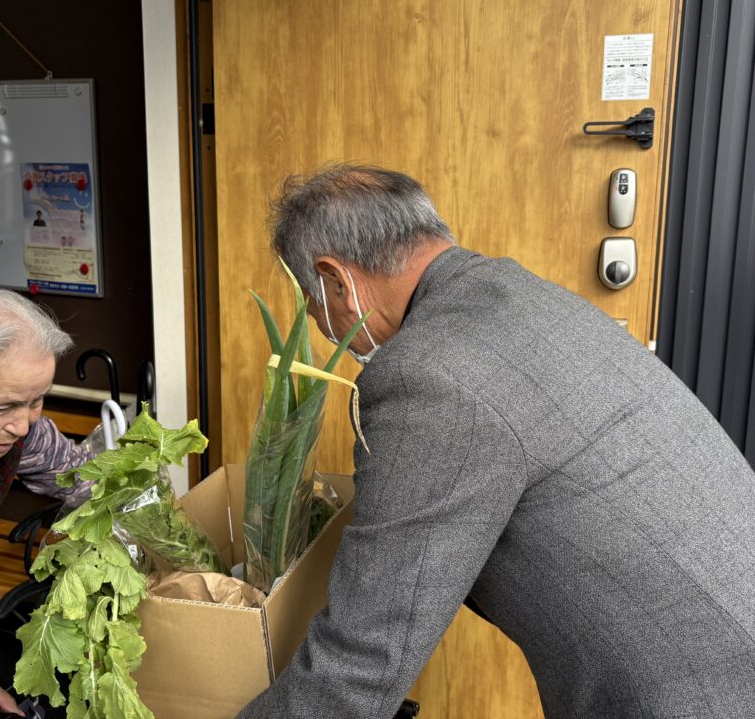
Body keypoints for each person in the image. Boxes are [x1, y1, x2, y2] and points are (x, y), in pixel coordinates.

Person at [237, 164, 755, 718]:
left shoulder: (429, 379)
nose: (326, 328)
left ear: (337, 281)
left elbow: (361, 663)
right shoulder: (522, 297)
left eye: (316, 309)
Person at [0, 289, 96, 718]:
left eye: (36, 400)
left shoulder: (25, 434)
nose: (21, 424)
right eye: (2, 407)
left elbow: (86, 478)